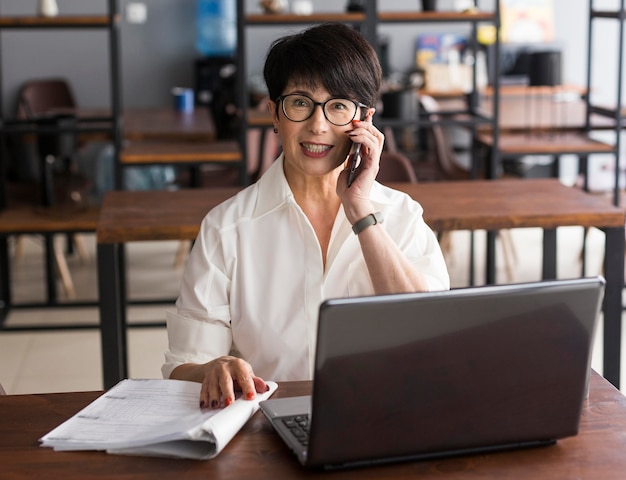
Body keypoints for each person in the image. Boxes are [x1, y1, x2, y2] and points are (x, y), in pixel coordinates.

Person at [162, 23, 450, 409]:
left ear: (364, 119)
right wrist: (213, 369)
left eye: (339, 106)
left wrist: (361, 210)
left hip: (388, 413)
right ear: (274, 114)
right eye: (300, 102)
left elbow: (429, 332)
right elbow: (183, 366)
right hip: (269, 427)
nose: (318, 125)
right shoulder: (226, 228)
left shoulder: (401, 216)